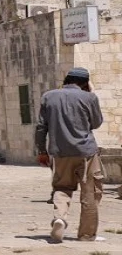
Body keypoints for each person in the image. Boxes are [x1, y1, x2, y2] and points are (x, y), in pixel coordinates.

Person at [37, 67, 104, 243]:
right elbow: (96, 123)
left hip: (60, 152)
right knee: (90, 192)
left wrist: (42, 151)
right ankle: (87, 235)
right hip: (86, 151)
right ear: (85, 83)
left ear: (66, 79)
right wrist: (91, 94)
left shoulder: (48, 96)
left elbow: (41, 127)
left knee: (62, 187)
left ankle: (60, 218)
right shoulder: (89, 97)